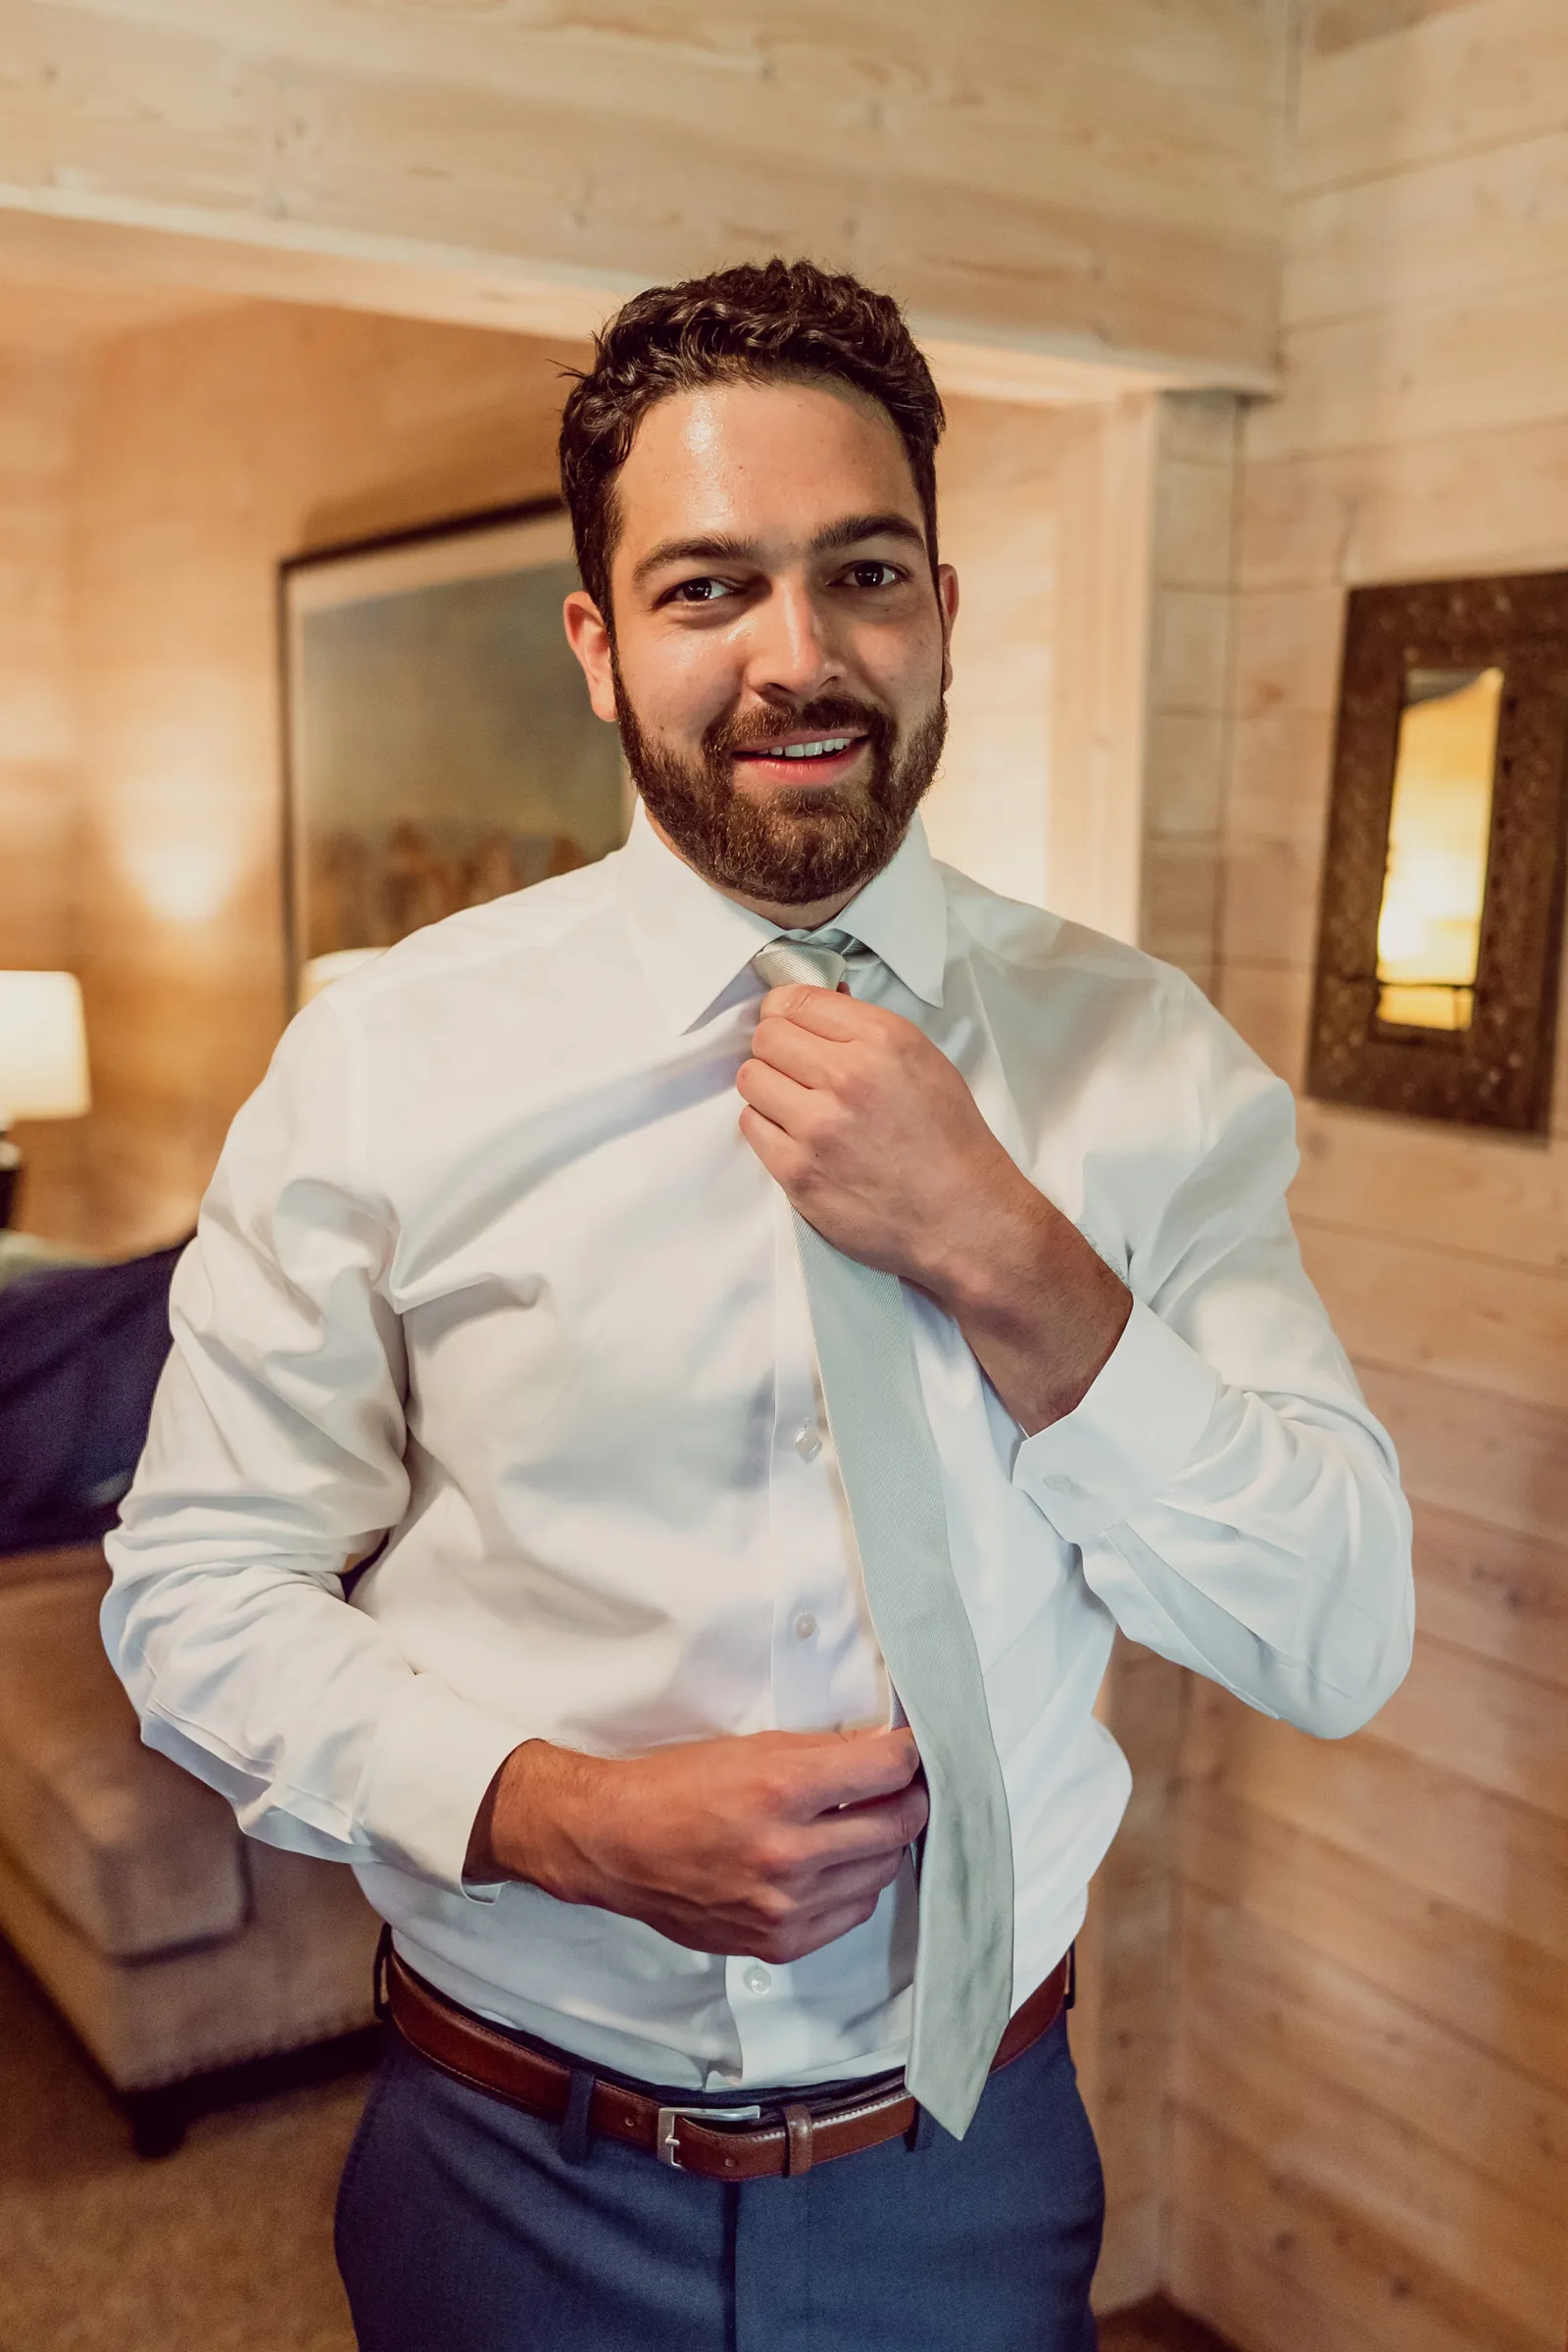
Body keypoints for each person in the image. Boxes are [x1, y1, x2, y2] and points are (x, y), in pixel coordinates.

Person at [103, 258, 1414, 2351]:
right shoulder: (386, 1061)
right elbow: (191, 1589)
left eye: (860, 572)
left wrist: (1011, 1256)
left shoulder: (1137, 1067)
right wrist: (550, 1813)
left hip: (964, 2170)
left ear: (941, 610)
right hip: (503, 2168)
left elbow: (1332, 1635)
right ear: (598, 646)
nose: (797, 657)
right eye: (707, 587)